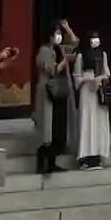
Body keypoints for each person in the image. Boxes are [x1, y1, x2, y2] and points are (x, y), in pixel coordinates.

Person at [33, 20, 76, 176]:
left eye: (60, 34)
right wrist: (65, 61)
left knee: (58, 130)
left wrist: (67, 28)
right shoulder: (44, 51)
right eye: (56, 33)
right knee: (47, 132)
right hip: (48, 93)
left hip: (61, 93)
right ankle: (42, 164)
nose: (59, 36)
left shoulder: (60, 49)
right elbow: (52, 69)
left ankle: (52, 163)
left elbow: (75, 43)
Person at [74, 31, 111, 169]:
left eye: (97, 37)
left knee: (99, 123)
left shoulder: (103, 54)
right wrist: (88, 79)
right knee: (87, 122)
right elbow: (77, 76)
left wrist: (100, 78)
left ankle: (98, 155)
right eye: (92, 37)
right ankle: (85, 157)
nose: (95, 40)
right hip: (87, 92)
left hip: (99, 91)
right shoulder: (81, 56)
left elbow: (107, 73)